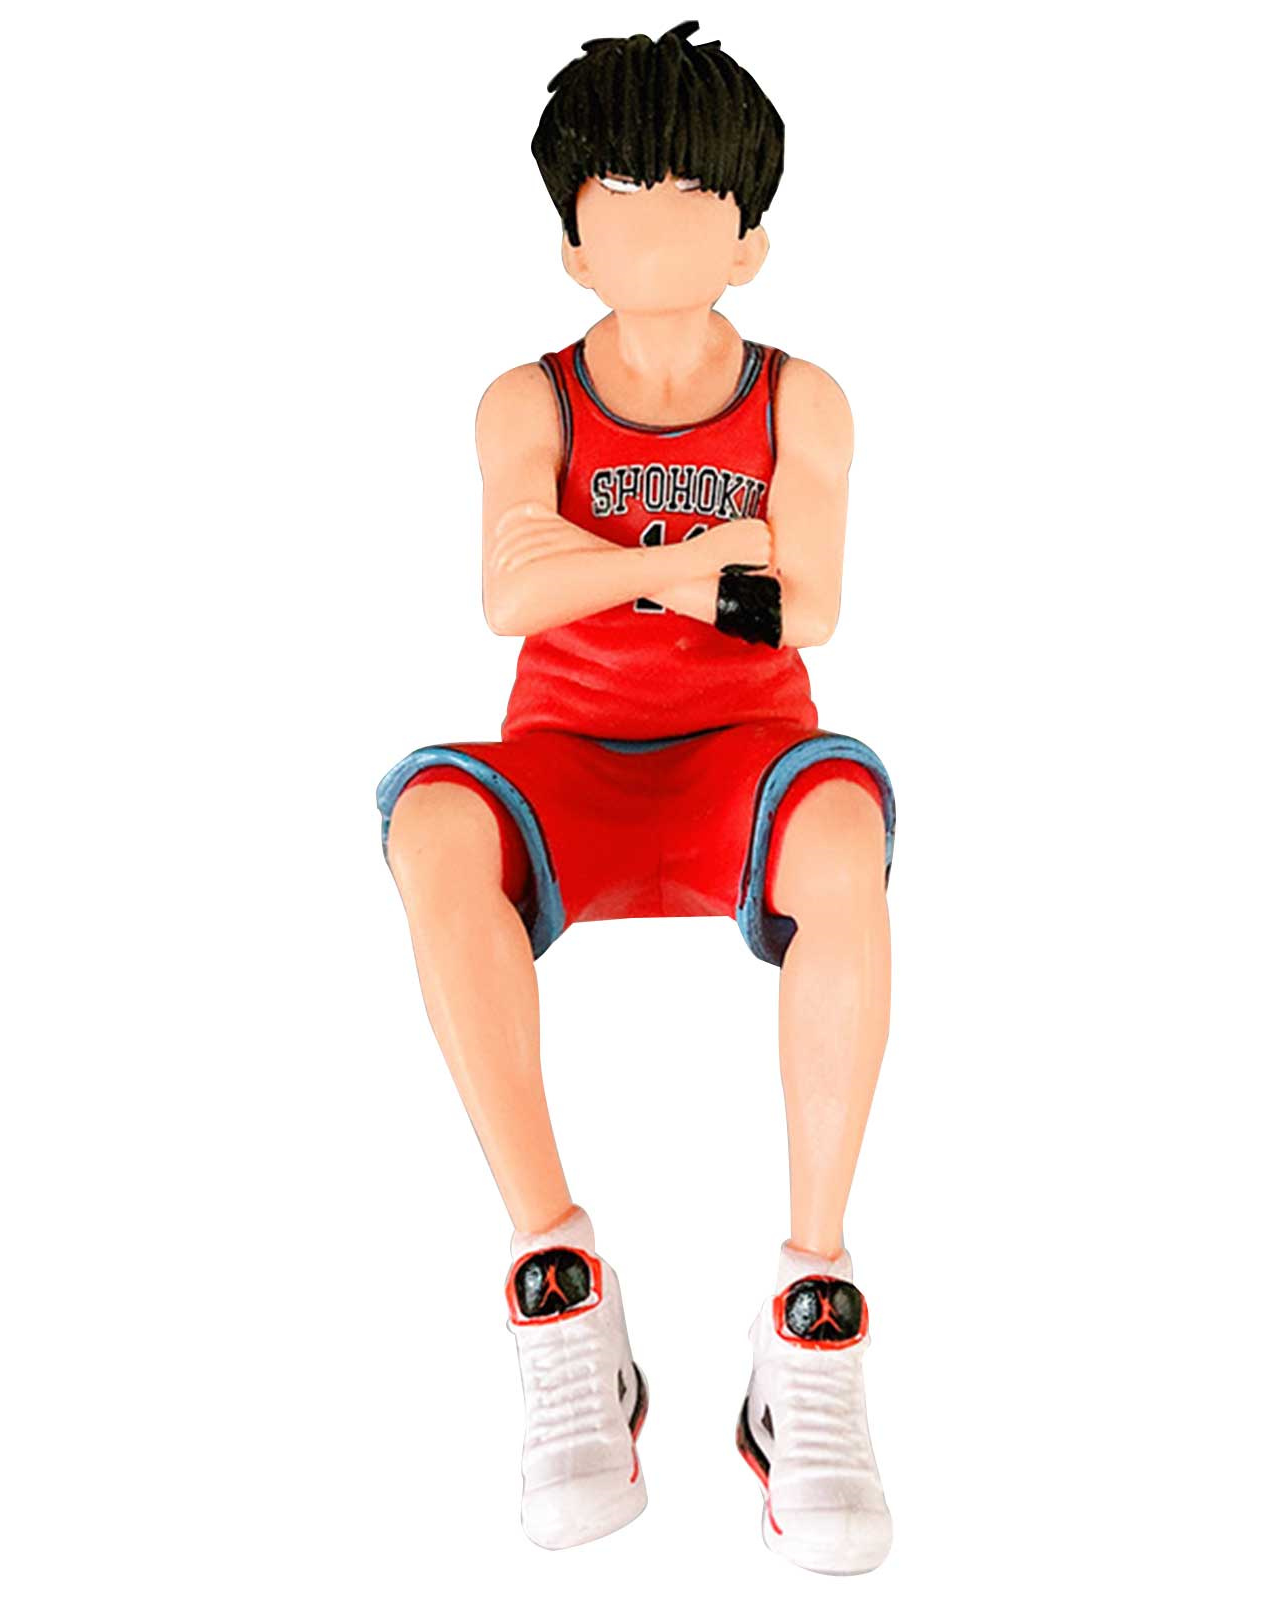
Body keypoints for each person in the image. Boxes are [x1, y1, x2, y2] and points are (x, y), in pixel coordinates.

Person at [376, 22, 896, 1574]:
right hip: (571, 764)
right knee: (429, 821)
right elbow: (506, 595)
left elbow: (803, 608)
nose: (657, 228)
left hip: (747, 757)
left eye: (692, 198)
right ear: (570, 242)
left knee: (847, 828)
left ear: (750, 239)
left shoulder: (804, 397)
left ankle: (812, 1317)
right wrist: (693, 565)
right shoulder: (523, 400)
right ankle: (560, 1288)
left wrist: (594, 565)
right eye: (623, 197)